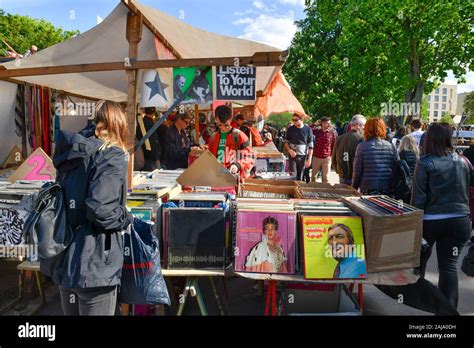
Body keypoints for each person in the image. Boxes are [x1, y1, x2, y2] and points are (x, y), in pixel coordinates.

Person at [41, 101, 134, 315]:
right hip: (95, 260)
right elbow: (100, 208)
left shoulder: (73, 150)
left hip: (65, 256)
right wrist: (126, 218)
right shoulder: (111, 154)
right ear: (119, 124)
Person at [411, 123, 472, 309]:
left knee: (418, 263)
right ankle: (449, 312)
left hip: (432, 221)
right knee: (448, 267)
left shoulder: (425, 162)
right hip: (461, 220)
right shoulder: (463, 161)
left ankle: (420, 301)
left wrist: (414, 224)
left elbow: (419, 198)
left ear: (429, 139)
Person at [352, 117, 398, 194]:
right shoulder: (391, 146)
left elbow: (357, 171)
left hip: (367, 187)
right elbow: (396, 167)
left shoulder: (362, 147)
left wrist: (354, 187)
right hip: (386, 187)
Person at [208, 105, 255, 178]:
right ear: (216, 120)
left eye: (226, 125)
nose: (223, 128)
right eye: (220, 125)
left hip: (233, 178)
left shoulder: (239, 135)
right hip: (216, 177)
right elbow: (210, 157)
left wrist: (238, 165)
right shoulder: (213, 137)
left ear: (230, 119)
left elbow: (250, 156)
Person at [331, 114, 366, 185]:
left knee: (342, 195)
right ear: (358, 125)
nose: (364, 128)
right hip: (355, 176)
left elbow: (333, 158)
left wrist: (338, 171)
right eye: (363, 126)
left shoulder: (339, 138)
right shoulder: (361, 139)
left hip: (342, 175)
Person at [284, 114, 314, 181]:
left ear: (301, 120)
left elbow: (311, 146)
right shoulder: (290, 129)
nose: (294, 122)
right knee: (293, 175)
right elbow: (286, 142)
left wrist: (309, 159)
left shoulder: (308, 130)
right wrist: (290, 150)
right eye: (293, 120)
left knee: (301, 176)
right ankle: (293, 189)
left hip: (303, 156)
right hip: (293, 156)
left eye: (296, 120)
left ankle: (299, 189)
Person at [312, 117, 337, 183]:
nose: (329, 125)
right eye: (327, 123)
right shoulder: (317, 131)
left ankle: (324, 192)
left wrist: (331, 157)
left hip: (327, 158)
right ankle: (312, 191)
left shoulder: (333, 133)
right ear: (322, 123)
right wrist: (314, 124)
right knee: (313, 177)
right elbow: (308, 129)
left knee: (326, 178)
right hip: (316, 157)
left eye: (329, 123)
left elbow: (334, 145)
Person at [136, 107, 160, 171]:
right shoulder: (150, 123)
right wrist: (156, 158)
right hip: (150, 156)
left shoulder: (141, 122)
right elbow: (153, 141)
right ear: (154, 113)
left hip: (141, 154)